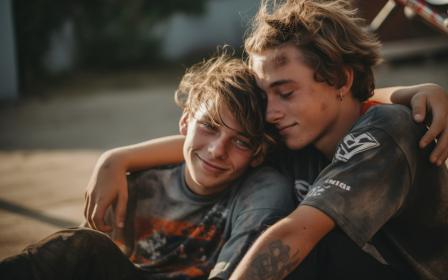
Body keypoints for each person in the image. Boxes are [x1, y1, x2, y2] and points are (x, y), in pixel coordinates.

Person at [84, 1, 448, 279]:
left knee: (289, 249)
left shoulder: (385, 131)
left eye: (285, 92)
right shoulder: (299, 133)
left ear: (340, 80)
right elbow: (223, 145)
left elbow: (296, 234)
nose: (270, 113)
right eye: (266, 96)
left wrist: (402, 94)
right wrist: (118, 159)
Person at [0, 54, 297, 279]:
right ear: (185, 121)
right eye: (209, 126)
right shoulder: (138, 186)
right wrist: (115, 160)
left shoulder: (260, 192)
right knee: (80, 245)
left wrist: (117, 157)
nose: (217, 150)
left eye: (241, 142)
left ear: (257, 153)